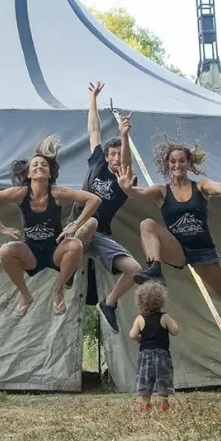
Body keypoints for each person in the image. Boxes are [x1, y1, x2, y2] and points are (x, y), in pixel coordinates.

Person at [0, 136, 101, 317]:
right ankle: (25, 296)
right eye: (34, 165)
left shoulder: (57, 193)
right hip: (31, 253)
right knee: (5, 250)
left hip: (56, 250)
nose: (39, 167)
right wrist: (1, 227)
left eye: (44, 165)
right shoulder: (20, 193)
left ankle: (58, 290)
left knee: (76, 245)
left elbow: (94, 200)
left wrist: (74, 225)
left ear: (50, 174)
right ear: (28, 174)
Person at [114, 129, 221, 299]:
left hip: (203, 250)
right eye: (173, 161)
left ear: (189, 163)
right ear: (168, 164)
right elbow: (137, 193)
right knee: (147, 224)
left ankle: (218, 266)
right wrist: (126, 188)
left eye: (182, 161)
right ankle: (155, 268)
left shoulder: (201, 186)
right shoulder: (161, 191)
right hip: (177, 248)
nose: (177, 165)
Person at [66, 82, 144, 333]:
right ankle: (66, 266)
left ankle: (108, 303)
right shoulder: (97, 162)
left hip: (99, 235)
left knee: (135, 270)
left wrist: (125, 136)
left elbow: (128, 166)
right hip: (77, 226)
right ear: (106, 155)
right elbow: (93, 130)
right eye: (111, 154)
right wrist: (92, 99)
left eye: (118, 154)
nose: (114, 158)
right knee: (89, 221)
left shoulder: (125, 180)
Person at [129, 281, 180, 411]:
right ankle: (164, 403)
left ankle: (145, 403)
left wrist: (140, 340)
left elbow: (132, 335)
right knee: (164, 378)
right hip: (162, 355)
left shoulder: (140, 318)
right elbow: (175, 331)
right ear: (161, 300)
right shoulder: (165, 317)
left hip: (145, 355)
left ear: (140, 301)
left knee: (145, 379)